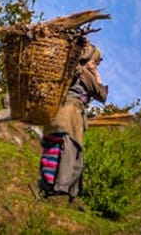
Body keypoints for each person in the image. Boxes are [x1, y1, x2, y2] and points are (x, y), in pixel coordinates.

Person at [38, 40, 108, 202]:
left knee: (55, 148)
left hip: (58, 112)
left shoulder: (70, 71)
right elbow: (102, 94)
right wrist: (96, 75)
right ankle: (62, 189)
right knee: (70, 149)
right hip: (71, 113)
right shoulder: (84, 73)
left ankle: (52, 187)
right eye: (95, 61)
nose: (96, 65)